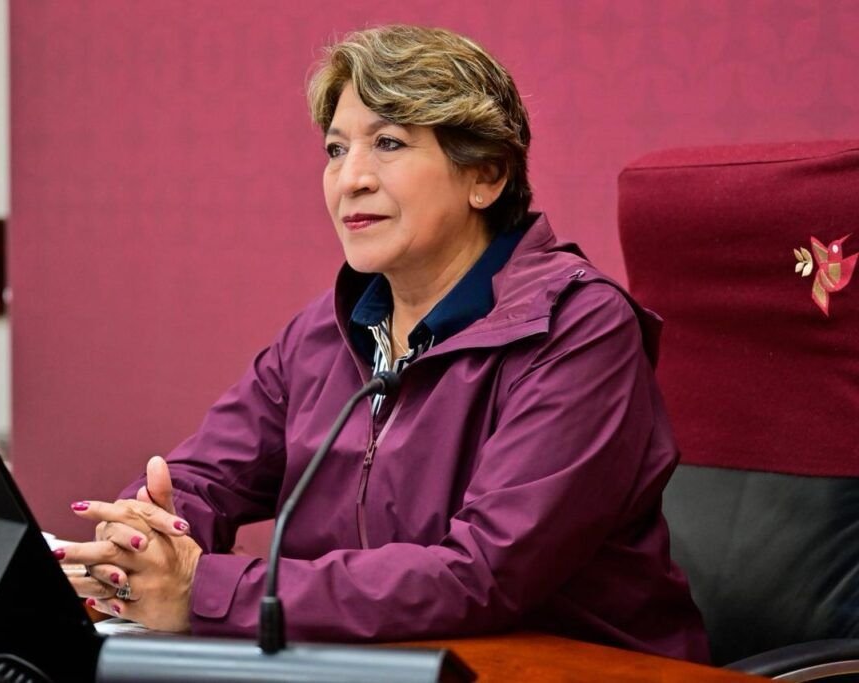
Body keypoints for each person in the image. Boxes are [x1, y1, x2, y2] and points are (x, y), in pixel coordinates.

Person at [56, 25, 710, 662]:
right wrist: (141, 539)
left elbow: (481, 573)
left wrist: (205, 591)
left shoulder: (578, 327)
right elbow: (202, 477)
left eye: (389, 143)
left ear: (485, 175)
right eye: (336, 149)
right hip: (371, 663)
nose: (351, 179)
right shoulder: (326, 331)